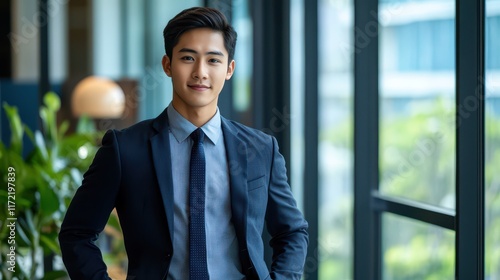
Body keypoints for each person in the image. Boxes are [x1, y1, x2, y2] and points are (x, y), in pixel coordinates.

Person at [59, 7, 308, 280]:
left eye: (213, 60)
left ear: (229, 69)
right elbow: (77, 234)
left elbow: (292, 232)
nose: (200, 72)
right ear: (167, 65)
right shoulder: (125, 150)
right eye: (188, 58)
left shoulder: (262, 149)